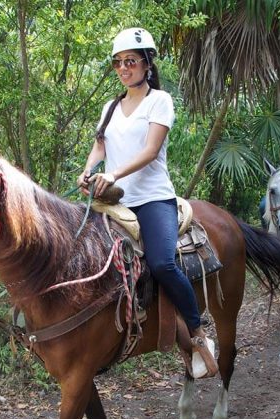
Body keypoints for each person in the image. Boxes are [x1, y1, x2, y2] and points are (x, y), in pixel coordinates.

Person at [77, 27, 218, 379]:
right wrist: (88, 170)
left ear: (147, 64)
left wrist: (114, 174)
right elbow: (100, 144)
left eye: (131, 61)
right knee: (81, 255)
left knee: (161, 263)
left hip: (152, 198)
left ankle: (198, 331)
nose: (124, 68)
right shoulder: (111, 107)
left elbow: (150, 150)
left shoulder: (160, 100)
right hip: (113, 203)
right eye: (118, 63)